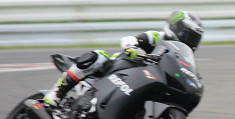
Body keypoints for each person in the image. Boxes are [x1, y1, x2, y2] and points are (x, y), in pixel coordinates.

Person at [43, 10, 204, 106]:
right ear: (175, 28)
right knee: (99, 56)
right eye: (188, 35)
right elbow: (129, 39)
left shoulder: (180, 58)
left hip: (140, 84)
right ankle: (56, 94)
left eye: (194, 39)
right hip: (115, 70)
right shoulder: (157, 37)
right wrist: (132, 49)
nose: (190, 42)